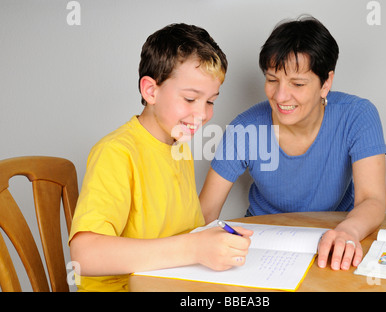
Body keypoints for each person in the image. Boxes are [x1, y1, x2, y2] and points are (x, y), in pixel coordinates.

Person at [69, 23, 252, 292]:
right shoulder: (116, 153)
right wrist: (193, 248)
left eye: (210, 101)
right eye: (190, 99)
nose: (202, 114)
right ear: (151, 91)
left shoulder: (179, 145)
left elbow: (182, 230)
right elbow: (85, 255)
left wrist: (214, 239)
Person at [199, 16, 386, 271]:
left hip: (336, 240)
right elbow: (205, 213)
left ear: (326, 83)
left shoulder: (358, 115)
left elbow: (372, 199)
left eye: (297, 84)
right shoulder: (244, 128)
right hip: (260, 246)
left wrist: (348, 231)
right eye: (272, 80)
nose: (280, 96)